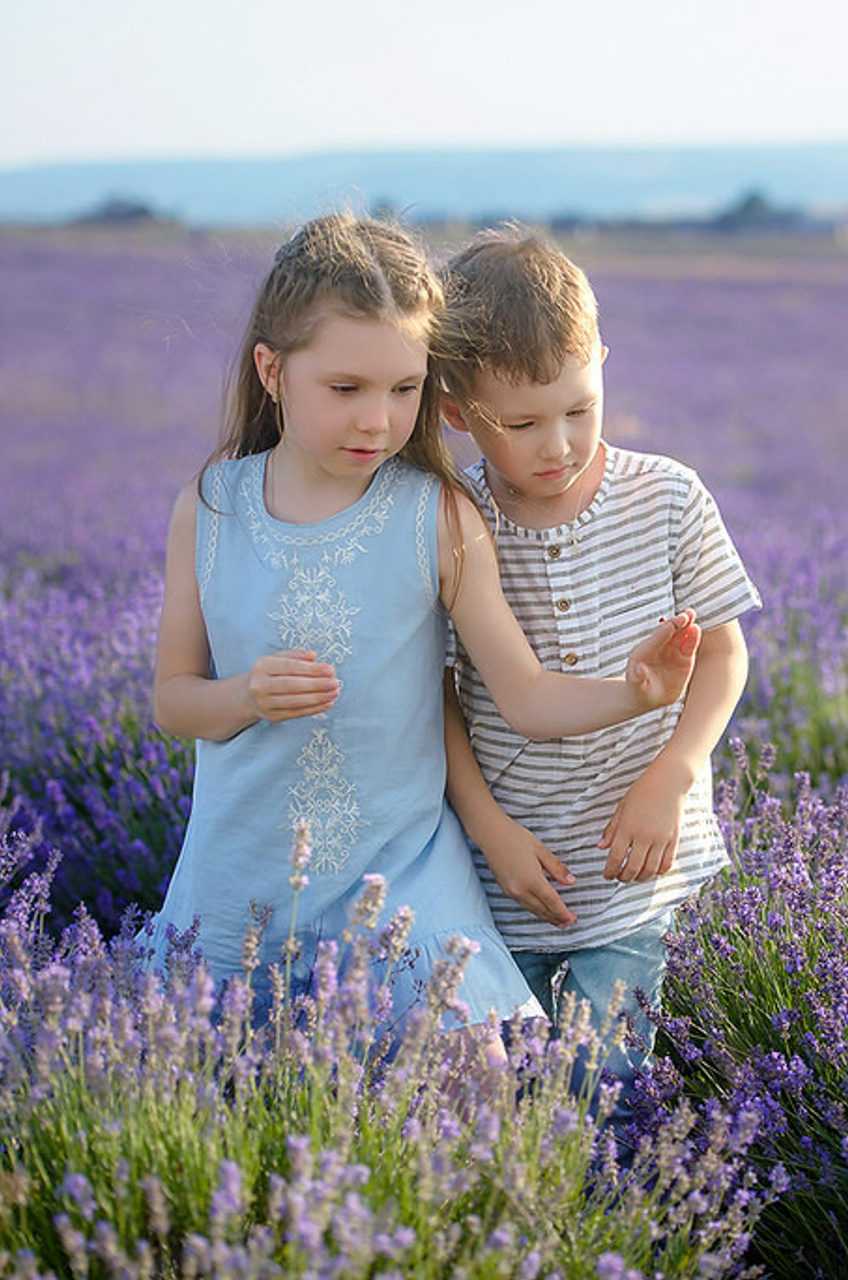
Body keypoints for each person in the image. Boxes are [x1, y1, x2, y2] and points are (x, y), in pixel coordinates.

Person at [145, 213, 701, 1055]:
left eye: (404, 390)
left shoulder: (436, 515)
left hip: (402, 875)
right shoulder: (211, 507)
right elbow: (173, 702)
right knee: (216, 1088)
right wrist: (245, 696)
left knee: (474, 1088)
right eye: (346, 389)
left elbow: (524, 695)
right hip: (241, 874)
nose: (378, 420)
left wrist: (633, 693)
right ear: (271, 370)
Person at [437, 228, 760, 1131]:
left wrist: (673, 776)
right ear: (458, 412)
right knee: (503, 1096)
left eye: (580, 408)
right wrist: (490, 830)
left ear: (603, 364)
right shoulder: (453, 519)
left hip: (637, 859)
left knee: (606, 1084)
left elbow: (725, 654)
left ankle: (607, 1209)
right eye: (523, 424)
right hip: (510, 870)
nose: (559, 445)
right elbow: (440, 702)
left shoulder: (668, 497)